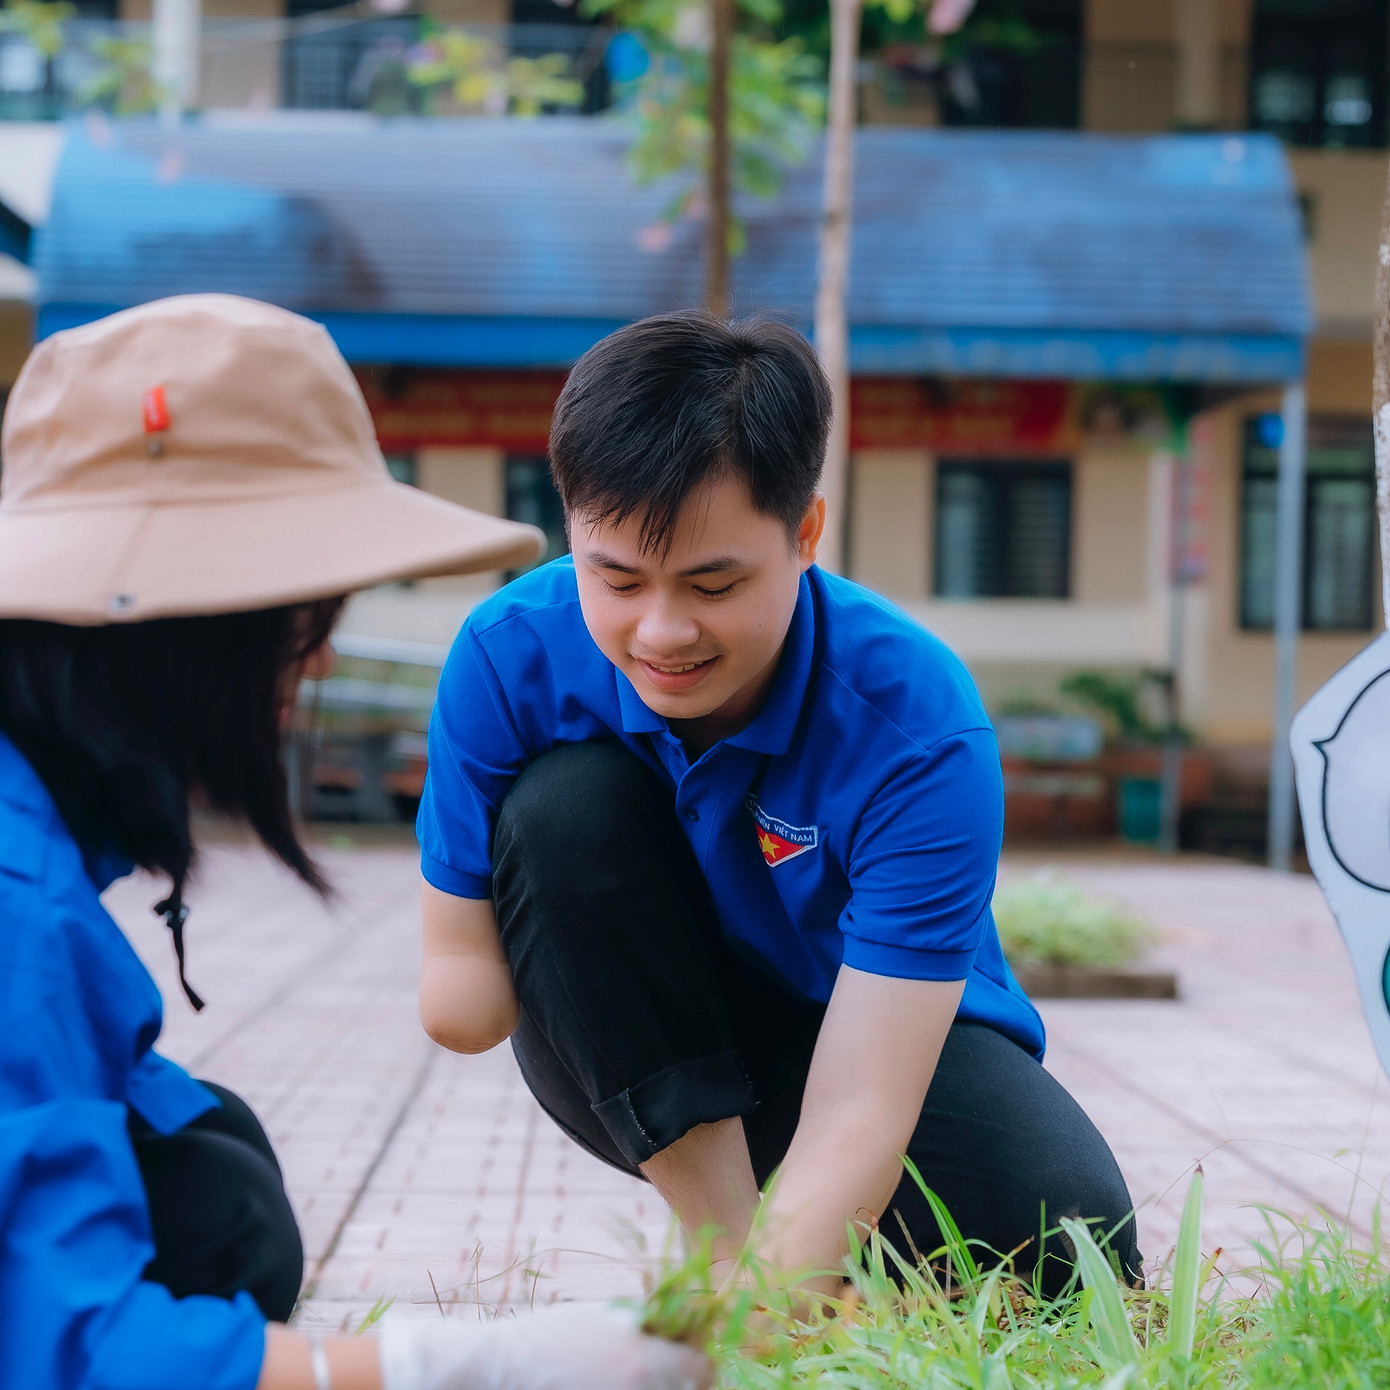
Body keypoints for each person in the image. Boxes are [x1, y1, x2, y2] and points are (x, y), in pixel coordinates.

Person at [0, 294, 710, 1390]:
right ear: (191, 636)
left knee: (206, 1176)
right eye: (299, 627)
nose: (315, 665)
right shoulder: (16, 910)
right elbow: (66, 1350)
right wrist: (446, 1364)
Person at [417, 311, 1142, 1299]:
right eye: (616, 578)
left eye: (712, 583)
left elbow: (861, 1104)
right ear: (571, 531)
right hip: (645, 1032)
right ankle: (728, 1260)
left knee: (1070, 1245)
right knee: (564, 807)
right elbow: (463, 1002)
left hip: (872, 1027)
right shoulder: (510, 654)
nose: (661, 631)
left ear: (805, 533)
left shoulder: (917, 726)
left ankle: (792, 1269)